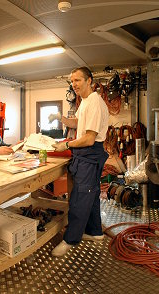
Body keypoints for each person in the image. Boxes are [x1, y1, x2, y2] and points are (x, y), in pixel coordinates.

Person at [51, 67, 110, 257]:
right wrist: (60, 118)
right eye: (72, 81)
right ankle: (95, 232)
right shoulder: (84, 101)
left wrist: (66, 144)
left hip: (89, 153)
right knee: (91, 196)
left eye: (78, 80)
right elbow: (77, 122)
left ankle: (70, 239)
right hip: (85, 154)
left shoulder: (94, 102)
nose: (74, 84)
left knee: (79, 198)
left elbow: (89, 138)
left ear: (89, 80)